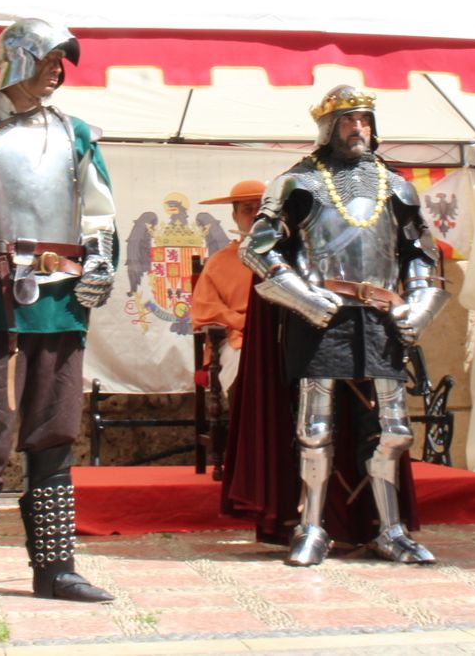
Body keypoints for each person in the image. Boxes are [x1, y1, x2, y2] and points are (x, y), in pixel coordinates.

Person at [0, 19, 117, 612]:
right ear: (19, 60)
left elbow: (99, 215)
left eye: (62, 63)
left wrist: (101, 265)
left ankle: (57, 569)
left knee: (55, 432)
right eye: (48, 61)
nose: (57, 73)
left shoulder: (76, 134)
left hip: (61, 302)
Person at [237, 85, 448, 566]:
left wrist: (418, 308)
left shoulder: (397, 187)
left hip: (381, 317)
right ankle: (312, 527)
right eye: (348, 121)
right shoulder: (297, 183)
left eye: (365, 120)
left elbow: (422, 256)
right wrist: (304, 298)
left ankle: (390, 529)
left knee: (394, 430)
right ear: (329, 128)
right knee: (315, 428)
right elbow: (258, 249)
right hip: (322, 318)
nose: (358, 129)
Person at [191, 179, 264, 395]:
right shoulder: (219, 262)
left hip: (282, 341)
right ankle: (246, 427)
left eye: (261, 208)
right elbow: (207, 310)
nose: (255, 214)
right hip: (237, 340)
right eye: (247, 210)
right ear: (235, 216)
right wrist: (248, 324)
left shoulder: (289, 257)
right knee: (242, 359)